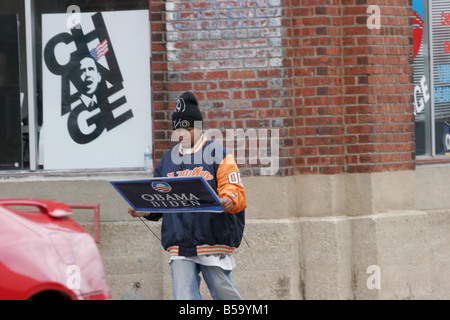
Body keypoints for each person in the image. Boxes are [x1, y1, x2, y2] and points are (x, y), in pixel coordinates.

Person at [128, 91, 247, 300]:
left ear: (199, 127)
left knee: (224, 293)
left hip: (212, 239)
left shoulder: (219, 153)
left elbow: (235, 189)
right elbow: (157, 199)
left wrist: (230, 199)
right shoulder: (167, 160)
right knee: (184, 297)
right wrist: (143, 208)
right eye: (178, 129)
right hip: (179, 242)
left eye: (187, 128)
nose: (182, 133)